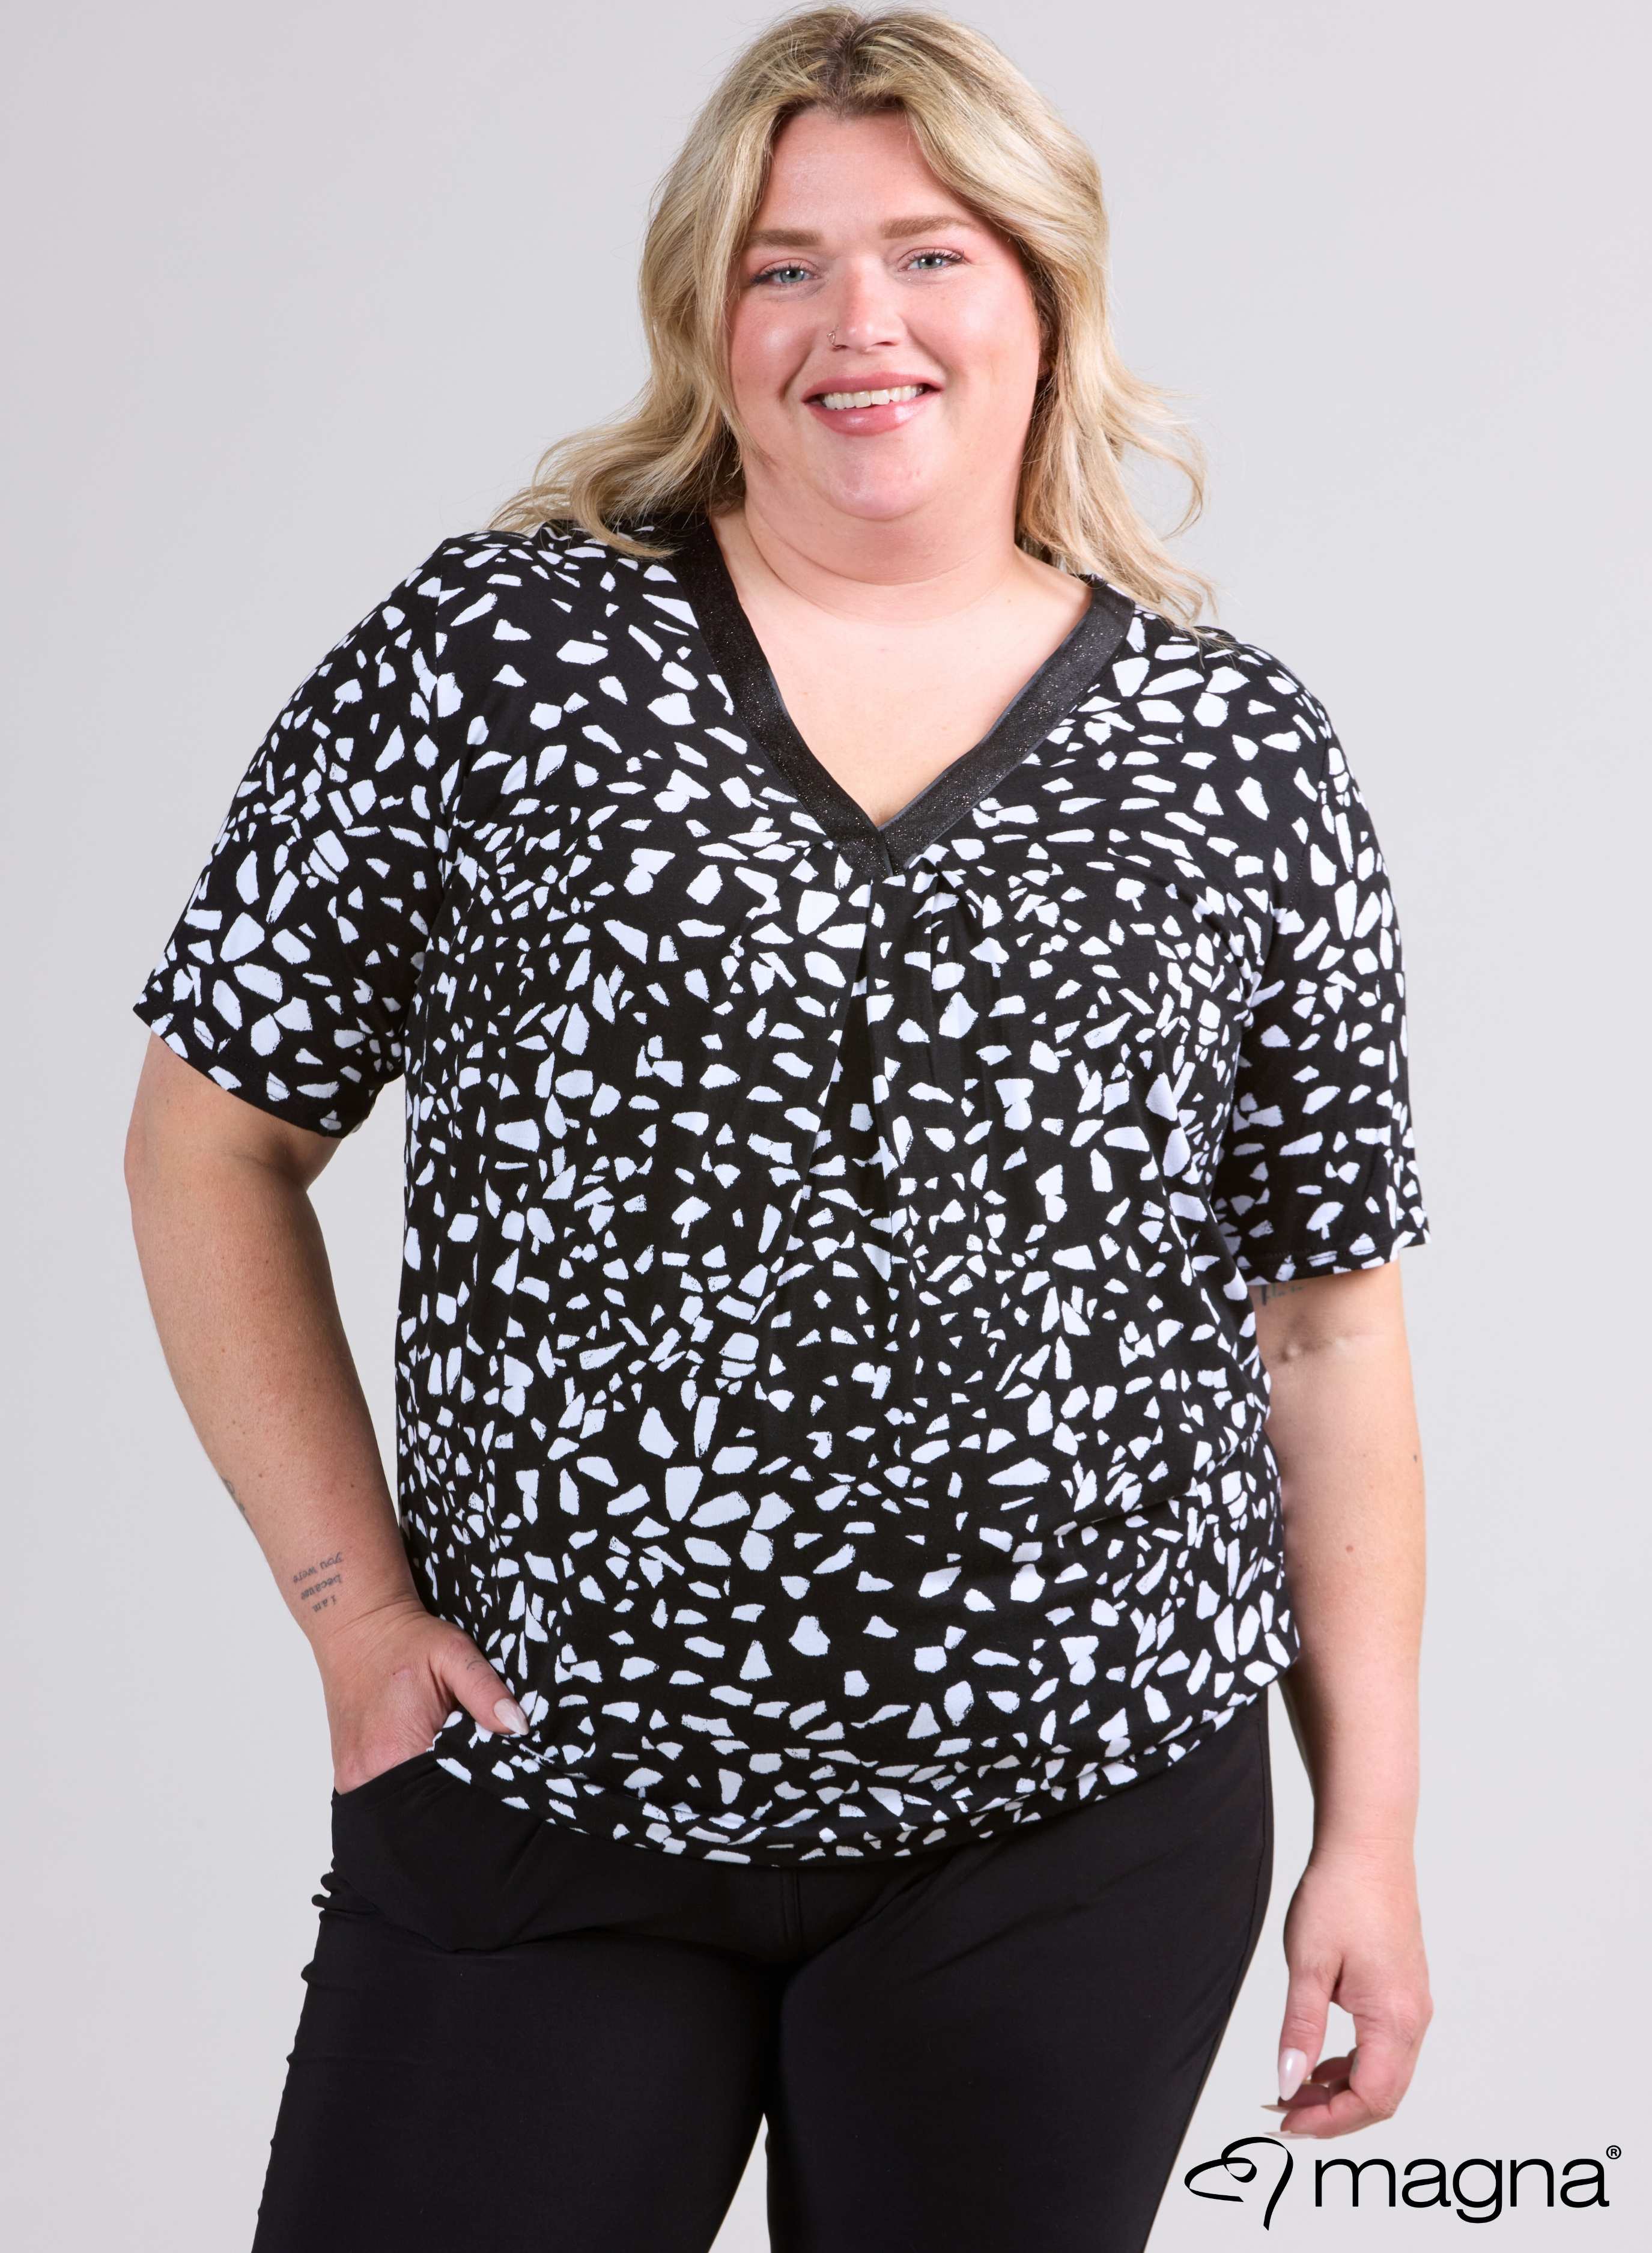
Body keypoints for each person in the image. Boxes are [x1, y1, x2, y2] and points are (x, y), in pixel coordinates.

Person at [123, 8, 1434, 2249]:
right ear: (704, 317)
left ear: (1041, 294)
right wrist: (350, 1609)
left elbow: (1326, 1322)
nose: (861, 323)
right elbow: (208, 1139)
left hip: (1076, 1825)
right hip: (551, 1788)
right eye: (784, 265)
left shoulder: (1238, 752)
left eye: (930, 255)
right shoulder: (497, 660)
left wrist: (1371, 1833)